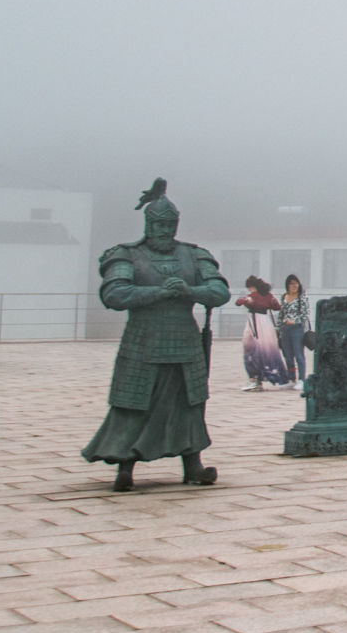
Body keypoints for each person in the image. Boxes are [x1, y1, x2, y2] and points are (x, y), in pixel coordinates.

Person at [83, 180, 229, 491]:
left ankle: (193, 465)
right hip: (143, 343)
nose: (164, 230)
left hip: (185, 343)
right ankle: (125, 466)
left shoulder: (194, 255)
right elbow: (114, 294)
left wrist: (191, 290)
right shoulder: (127, 255)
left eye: (169, 224)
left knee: (190, 404)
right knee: (134, 404)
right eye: (158, 224)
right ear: (148, 224)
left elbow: (219, 291)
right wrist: (158, 292)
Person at [236, 276, 290, 389]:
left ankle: (254, 379)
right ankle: (279, 377)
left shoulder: (252, 296)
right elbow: (277, 307)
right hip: (266, 323)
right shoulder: (269, 296)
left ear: (251, 287)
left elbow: (239, 302)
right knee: (267, 350)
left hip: (255, 323)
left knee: (251, 350)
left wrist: (247, 300)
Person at [275, 274, 310, 392]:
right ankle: (291, 379)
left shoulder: (302, 297)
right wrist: (278, 329)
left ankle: (302, 380)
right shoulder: (284, 297)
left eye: (296, 283)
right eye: (292, 283)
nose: (294, 286)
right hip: (285, 329)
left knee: (299, 354)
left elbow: (305, 314)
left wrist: (294, 321)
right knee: (288, 355)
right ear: (287, 285)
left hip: (297, 329)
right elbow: (281, 314)